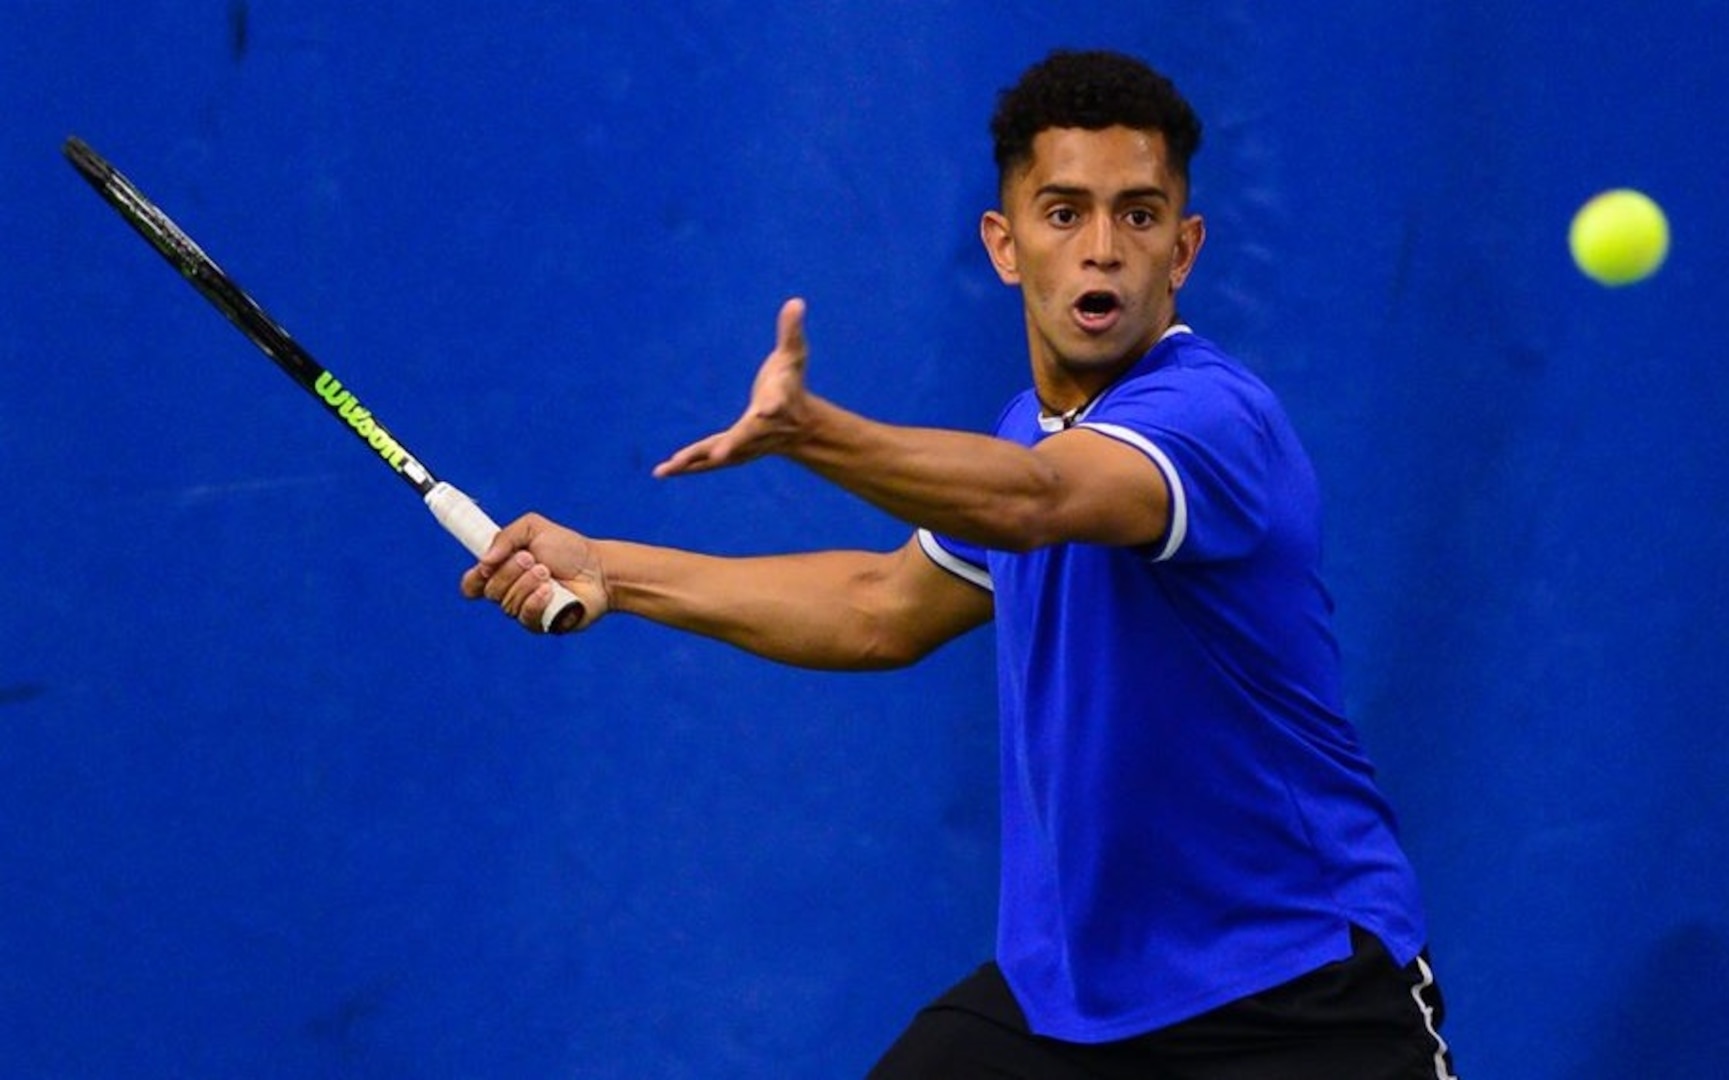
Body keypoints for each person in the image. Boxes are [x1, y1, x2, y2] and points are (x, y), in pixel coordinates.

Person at [462, 49, 1458, 1080]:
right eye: (1064, 213)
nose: (1103, 250)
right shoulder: (1024, 429)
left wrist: (811, 432)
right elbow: (880, 606)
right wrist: (614, 572)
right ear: (1005, 244)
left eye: (1140, 214)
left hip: (1292, 993)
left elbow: (1036, 502)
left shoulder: (1210, 420)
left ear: (1186, 249)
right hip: (1075, 998)